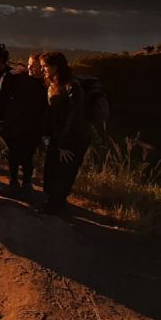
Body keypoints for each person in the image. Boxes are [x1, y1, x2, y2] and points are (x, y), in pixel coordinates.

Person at [39, 52, 92, 214]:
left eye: (45, 66)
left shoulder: (72, 87)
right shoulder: (53, 84)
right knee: (52, 170)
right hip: (59, 136)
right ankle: (53, 204)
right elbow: (51, 114)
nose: (43, 70)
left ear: (56, 67)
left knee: (63, 173)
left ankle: (56, 207)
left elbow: (74, 119)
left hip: (73, 140)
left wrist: (64, 145)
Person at [1, 67, 48, 199]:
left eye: (35, 65)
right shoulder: (19, 78)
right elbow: (4, 90)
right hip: (16, 124)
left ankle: (26, 183)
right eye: (30, 65)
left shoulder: (45, 84)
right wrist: (8, 74)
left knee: (27, 157)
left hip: (32, 126)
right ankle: (14, 181)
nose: (32, 68)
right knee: (15, 154)